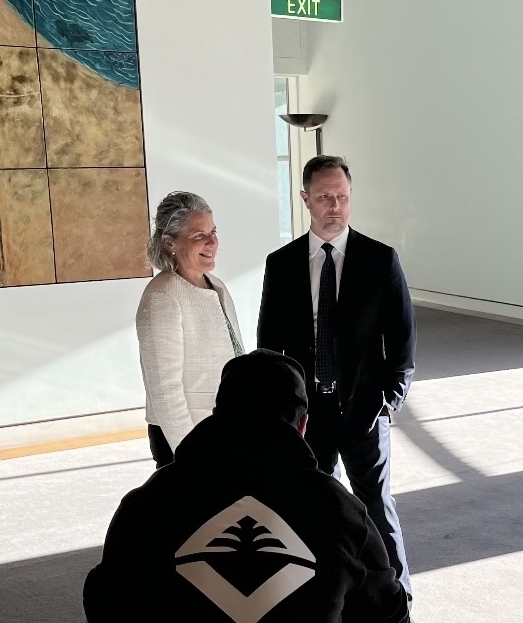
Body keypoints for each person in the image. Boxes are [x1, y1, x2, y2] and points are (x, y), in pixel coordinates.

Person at [83, 350, 411, 623]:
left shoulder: (148, 503)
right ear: (302, 425)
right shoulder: (342, 510)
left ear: (218, 415)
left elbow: (103, 603)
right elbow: (389, 613)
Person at [257, 155, 416, 598]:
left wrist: (390, 399)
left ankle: (396, 597)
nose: (335, 206)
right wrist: (281, 410)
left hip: (365, 410)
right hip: (306, 415)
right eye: (325, 197)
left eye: (343, 197)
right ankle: (316, 595)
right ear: (305, 198)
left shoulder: (380, 260)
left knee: (377, 510)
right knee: (308, 507)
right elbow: (269, 343)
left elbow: (403, 337)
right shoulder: (282, 263)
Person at [137, 192, 244, 468]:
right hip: (186, 439)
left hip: (224, 431)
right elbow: (164, 391)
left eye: (213, 232)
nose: (211, 243)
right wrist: (191, 453)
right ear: (169, 242)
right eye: (199, 236)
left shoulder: (216, 285)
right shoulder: (162, 296)